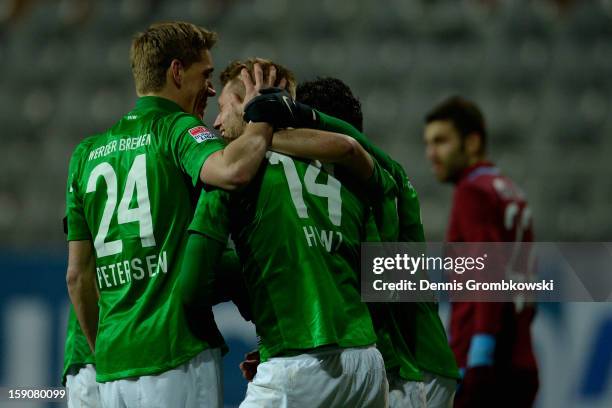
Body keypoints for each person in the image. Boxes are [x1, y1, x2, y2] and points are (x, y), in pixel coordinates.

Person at [65, 22, 286, 408]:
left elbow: (76, 275)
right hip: (176, 352)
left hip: (114, 367)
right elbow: (232, 171)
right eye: (205, 75)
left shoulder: (86, 154)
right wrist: (263, 114)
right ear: (176, 72)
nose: (211, 90)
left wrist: (106, 353)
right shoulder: (178, 130)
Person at [181, 59, 389, 407]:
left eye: (223, 108)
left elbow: (191, 288)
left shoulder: (231, 174)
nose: (215, 123)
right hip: (367, 365)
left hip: (297, 365)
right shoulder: (347, 170)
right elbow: (377, 280)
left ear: (249, 104)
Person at [296, 77, 459, 408]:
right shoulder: (380, 170)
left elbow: (378, 279)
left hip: (412, 363)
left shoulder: (363, 178)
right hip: (416, 355)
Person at [423, 96, 539, 407]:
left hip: (484, 366)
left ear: (473, 142)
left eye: (441, 141)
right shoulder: (511, 191)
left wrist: (480, 358)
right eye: (428, 143)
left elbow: (486, 276)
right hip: (521, 360)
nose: (431, 154)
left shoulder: (472, 191)